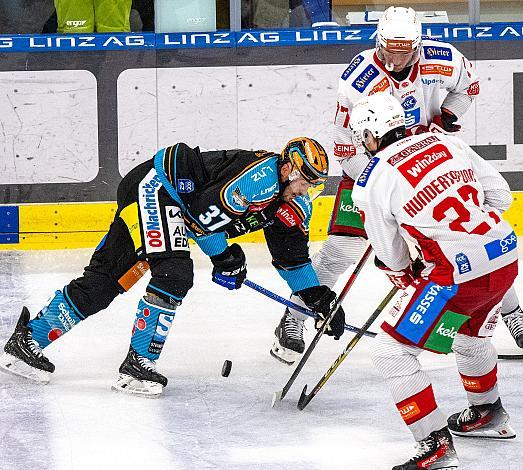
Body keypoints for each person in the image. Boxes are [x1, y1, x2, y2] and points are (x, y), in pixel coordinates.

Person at [270, 5, 523, 366]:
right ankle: (296, 315)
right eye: (388, 50)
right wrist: (382, 184)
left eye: (404, 51)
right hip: (369, 165)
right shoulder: (359, 78)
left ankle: (511, 310)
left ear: (418, 45)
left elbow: (469, 86)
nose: (395, 59)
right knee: (341, 252)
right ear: (377, 42)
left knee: (470, 235)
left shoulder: (442, 58)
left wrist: (448, 117)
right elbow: (344, 141)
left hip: (430, 160)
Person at [0, 138, 346, 397]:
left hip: (166, 200)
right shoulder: (259, 181)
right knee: (175, 274)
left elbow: (292, 257)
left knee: (108, 280)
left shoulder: (293, 199)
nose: (307, 189)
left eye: (314, 184)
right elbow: (199, 220)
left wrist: (318, 297)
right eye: (304, 180)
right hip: (158, 189)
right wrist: (225, 258)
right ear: (287, 168)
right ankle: (138, 364)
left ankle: (29, 340)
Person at [350, 93, 517, 469]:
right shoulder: (446, 141)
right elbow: (500, 197)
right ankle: (487, 413)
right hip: (504, 254)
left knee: (392, 351)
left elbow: (392, 258)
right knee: (470, 335)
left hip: (454, 275)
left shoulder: (372, 178)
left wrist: (417, 258)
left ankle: (435, 446)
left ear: (371, 136)